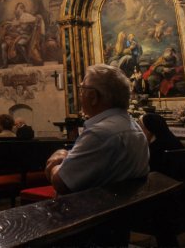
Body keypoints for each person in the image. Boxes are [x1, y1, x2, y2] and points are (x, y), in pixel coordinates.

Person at [45, 64, 149, 194]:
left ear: (93, 97)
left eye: (82, 89)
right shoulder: (135, 128)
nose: (80, 94)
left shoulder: (100, 134)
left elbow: (62, 183)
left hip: (92, 211)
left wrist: (56, 161)